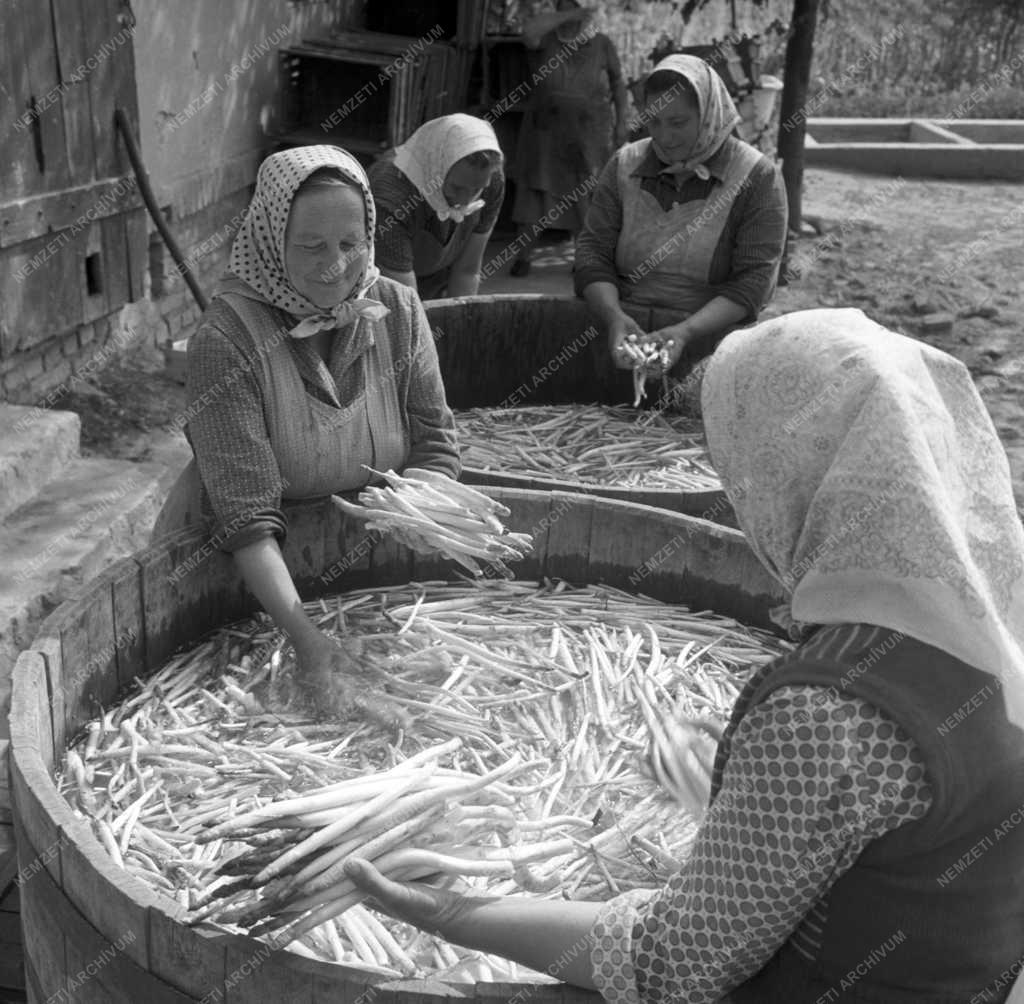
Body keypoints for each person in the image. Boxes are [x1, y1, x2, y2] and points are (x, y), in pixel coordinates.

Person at [345, 308, 1024, 1002]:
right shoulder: (994, 634)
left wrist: (453, 913)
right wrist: (741, 803)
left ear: (795, 471)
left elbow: (675, 965)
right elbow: (903, 843)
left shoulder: (825, 713)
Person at [152, 145, 459, 715]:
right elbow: (245, 519)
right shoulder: (227, 341)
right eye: (310, 246)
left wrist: (422, 506)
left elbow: (434, 439)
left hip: (361, 566)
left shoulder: (398, 309)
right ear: (271, 238)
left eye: (351, 244)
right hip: (238, 574)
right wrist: (306, 640)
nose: (336, 266)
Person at [574, 53, 787, 413]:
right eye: (653, 122)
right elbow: (593, 254)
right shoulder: (624, 165)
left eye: (678, 122)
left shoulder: (756, 178)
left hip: (709, 347)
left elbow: (753, 283)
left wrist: (686, 331)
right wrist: (613, 317)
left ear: (709, 114)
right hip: (623, 343)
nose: (664, 137)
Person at [508, 0, 629, 277]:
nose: (566, 9)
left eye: (573, 3)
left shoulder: (601, 43)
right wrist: (571, 13)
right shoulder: (545, 39)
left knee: (584, 195)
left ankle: (584, 260)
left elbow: (619, 85)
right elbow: (528, 31)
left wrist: (622, 121)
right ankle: (523, 257)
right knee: (536, 193)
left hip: (589, 134)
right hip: (546, 132)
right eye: (561, 4)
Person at [368, 114, 505, 300]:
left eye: (477, 189)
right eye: (456, 188)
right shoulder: (391, 196)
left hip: (434, 280)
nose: (464, 201)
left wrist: (459, 321)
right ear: (436, 167)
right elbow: (405, 300)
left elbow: (467, 270)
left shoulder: (492, 181)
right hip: (381, 289)